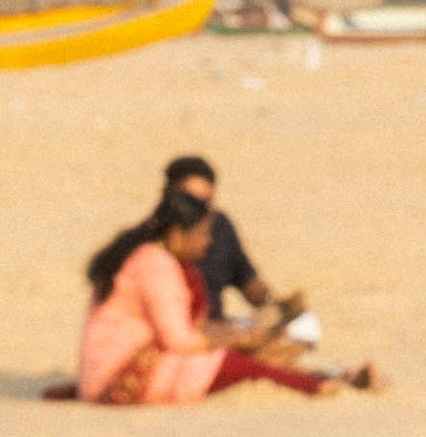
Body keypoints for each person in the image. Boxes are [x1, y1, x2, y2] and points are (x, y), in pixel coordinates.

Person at [68, 185, 377, 402]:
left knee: (257, 353)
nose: (207, 243)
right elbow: (180, 340)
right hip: (120, 377)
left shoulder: (165, 261)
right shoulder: (153, 264)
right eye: (202, 234)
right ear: (177, 234)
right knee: (232, 363)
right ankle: (318, 386)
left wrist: (247, 335)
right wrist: (238, 339)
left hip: (131, 366)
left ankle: (333, 376)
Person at [160, 153, 280, 324]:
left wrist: (277, 306)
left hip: (215, 326)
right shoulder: (154, 247)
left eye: (206, 202)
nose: (200, 212)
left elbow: (247, 278)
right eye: (192, 202)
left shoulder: (220, 227)